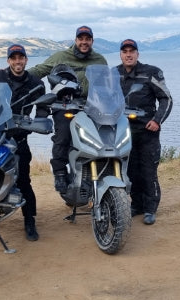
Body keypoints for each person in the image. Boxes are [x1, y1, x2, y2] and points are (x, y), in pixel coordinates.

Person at [28, 26, 108, 192]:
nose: (84, 42)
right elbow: (40, 70)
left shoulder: (100, 60)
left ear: (92, 41)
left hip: (92, 106)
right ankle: (59, 172)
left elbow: (108, 84)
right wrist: (15, 76)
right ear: (76, 40)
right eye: (81, 39)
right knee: (63, 135)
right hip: (65, 104)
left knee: (103, 137)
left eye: (87, 39)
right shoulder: (61, 57)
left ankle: (98, 174)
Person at [0, 44, 47, 241]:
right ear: (8, 60)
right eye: (14, 58)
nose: (18, 61)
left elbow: (43, 107)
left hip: (18, 137)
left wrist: (37, 121)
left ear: (26, 60)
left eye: (21, 58)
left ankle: (29, 220)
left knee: (23, 180)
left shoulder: (36, 83)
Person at [116, 39, 173, 225]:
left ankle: (150, 209)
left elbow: (166, 99)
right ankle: (137, 205)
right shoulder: (113, 74)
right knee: (130, 171)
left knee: (148, 171)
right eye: (125, 51)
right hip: (123, 132)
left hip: (147, 132)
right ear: (121, 55)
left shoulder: (151, 72)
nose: (128, 54)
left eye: (132, 51)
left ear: (137, 54)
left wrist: (157, 120)